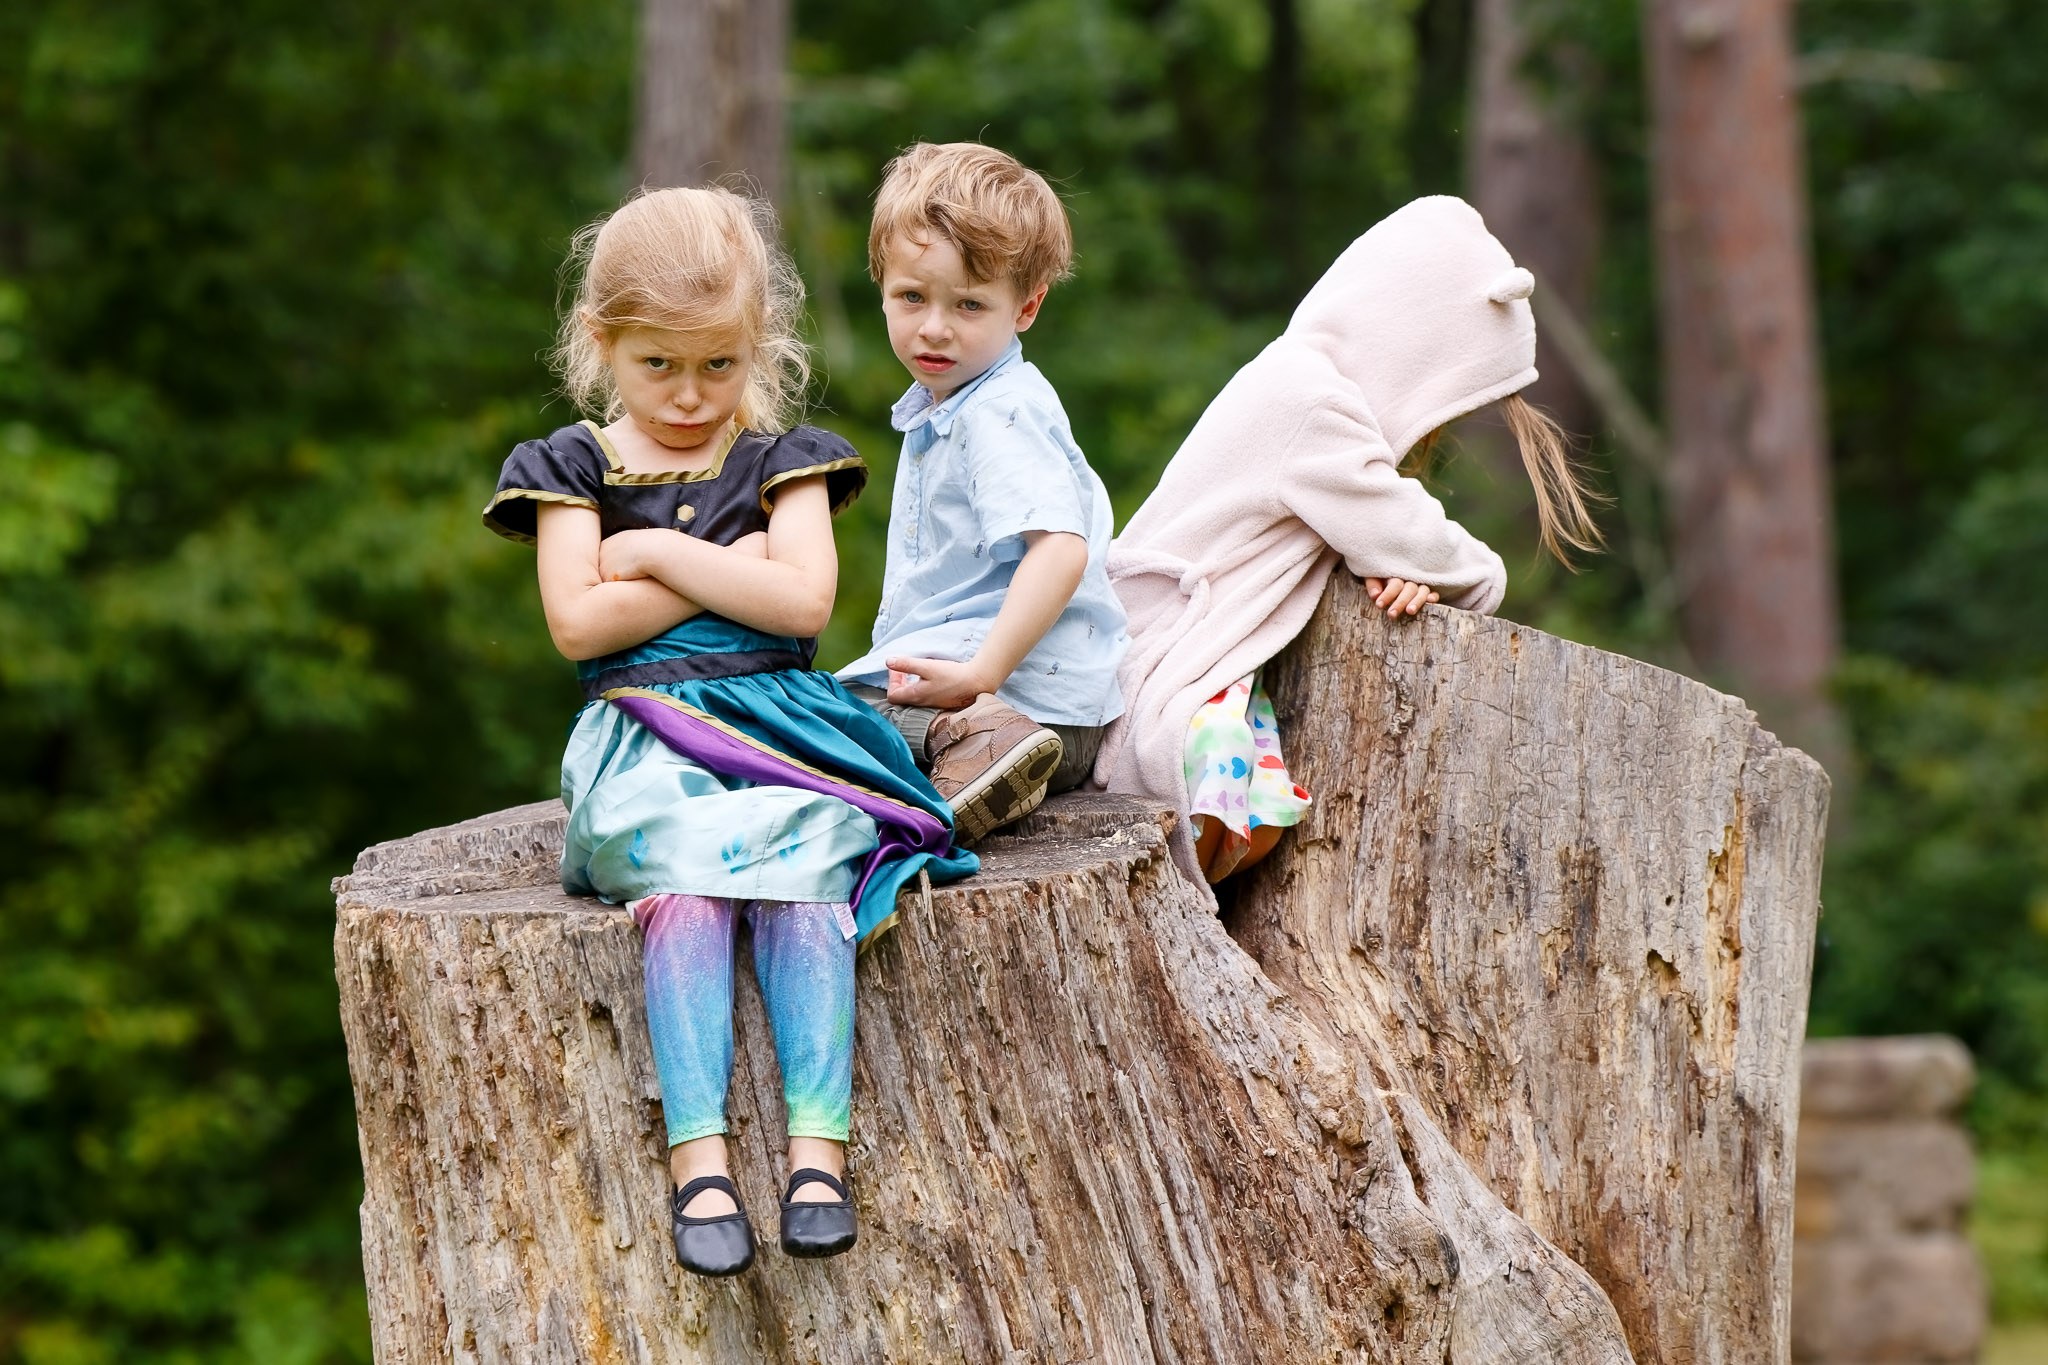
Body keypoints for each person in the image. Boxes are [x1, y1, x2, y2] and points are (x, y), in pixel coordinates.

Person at [482, 186, 975, 1279]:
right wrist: (735, 574)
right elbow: (577, 622)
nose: (691, 396)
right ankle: (698, 1165)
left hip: (785, 734)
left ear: (758, 346)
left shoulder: (782, 457)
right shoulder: (571, 466)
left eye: (718, 366)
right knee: (690, 891)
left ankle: (816, 1157)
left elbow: (802, 609)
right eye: (659, 366)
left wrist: (651, 559)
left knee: (810, 876)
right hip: (644, 743)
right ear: (601, 341)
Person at [1096, 195, 1602, 883]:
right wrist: (1477, 573)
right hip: (1158, 660)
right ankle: (1185, 919)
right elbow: (1407, 533)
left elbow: (1383, 542)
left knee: (1260, 809)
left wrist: (1398, 569)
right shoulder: (1309, 403)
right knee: (1226, 799)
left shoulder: (1295, 384)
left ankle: (1198, 920)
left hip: (1188, 650)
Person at [834, 142, 1129, 845]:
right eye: (913, 297)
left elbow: (1059, 549)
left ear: (1026, 307)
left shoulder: (995, 412)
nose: (935, 327)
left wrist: (980, 675)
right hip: (1042, 705)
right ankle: (963, 753)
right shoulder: (957, 404)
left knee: (813, 713)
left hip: (1021, 700)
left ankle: (970, 737)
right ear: (881, 285)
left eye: (969, 304)